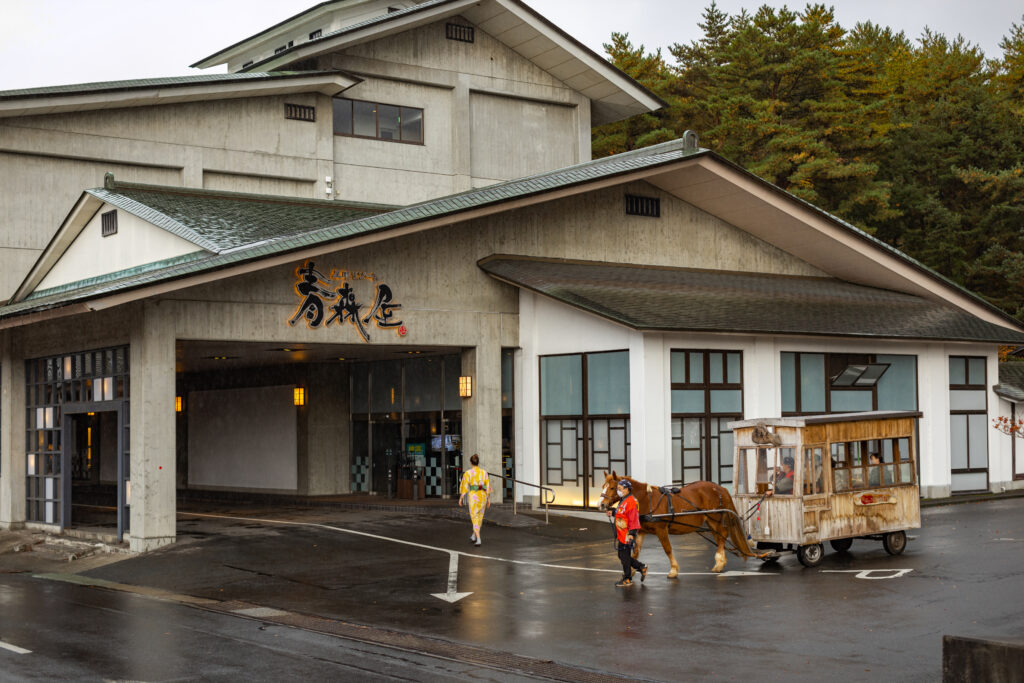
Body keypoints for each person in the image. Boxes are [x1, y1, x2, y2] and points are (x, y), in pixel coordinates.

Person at [606, 478, 647, 587]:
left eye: (620, 488)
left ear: (627, 489)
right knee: (622, 555)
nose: (618, 491)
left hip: (627, 534)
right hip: (621, 533)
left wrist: (631, 534)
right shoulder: (624, 499)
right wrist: (613, 511)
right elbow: (622, 513)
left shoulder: (631, 502)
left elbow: (634, 519)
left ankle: (627, 579)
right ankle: (641, 567)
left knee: (624, 556)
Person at [459, 453, 491, 546]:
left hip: (474, 497)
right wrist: (488, 499)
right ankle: (474, 535)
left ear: (470, 462)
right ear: (478, 462)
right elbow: (487, 486)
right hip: (483, 496)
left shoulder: (468, 473)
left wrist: (461, 498)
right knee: (479, 517)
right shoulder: (484, 472)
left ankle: (479, 539)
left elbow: (464, 487)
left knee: (474, 517)